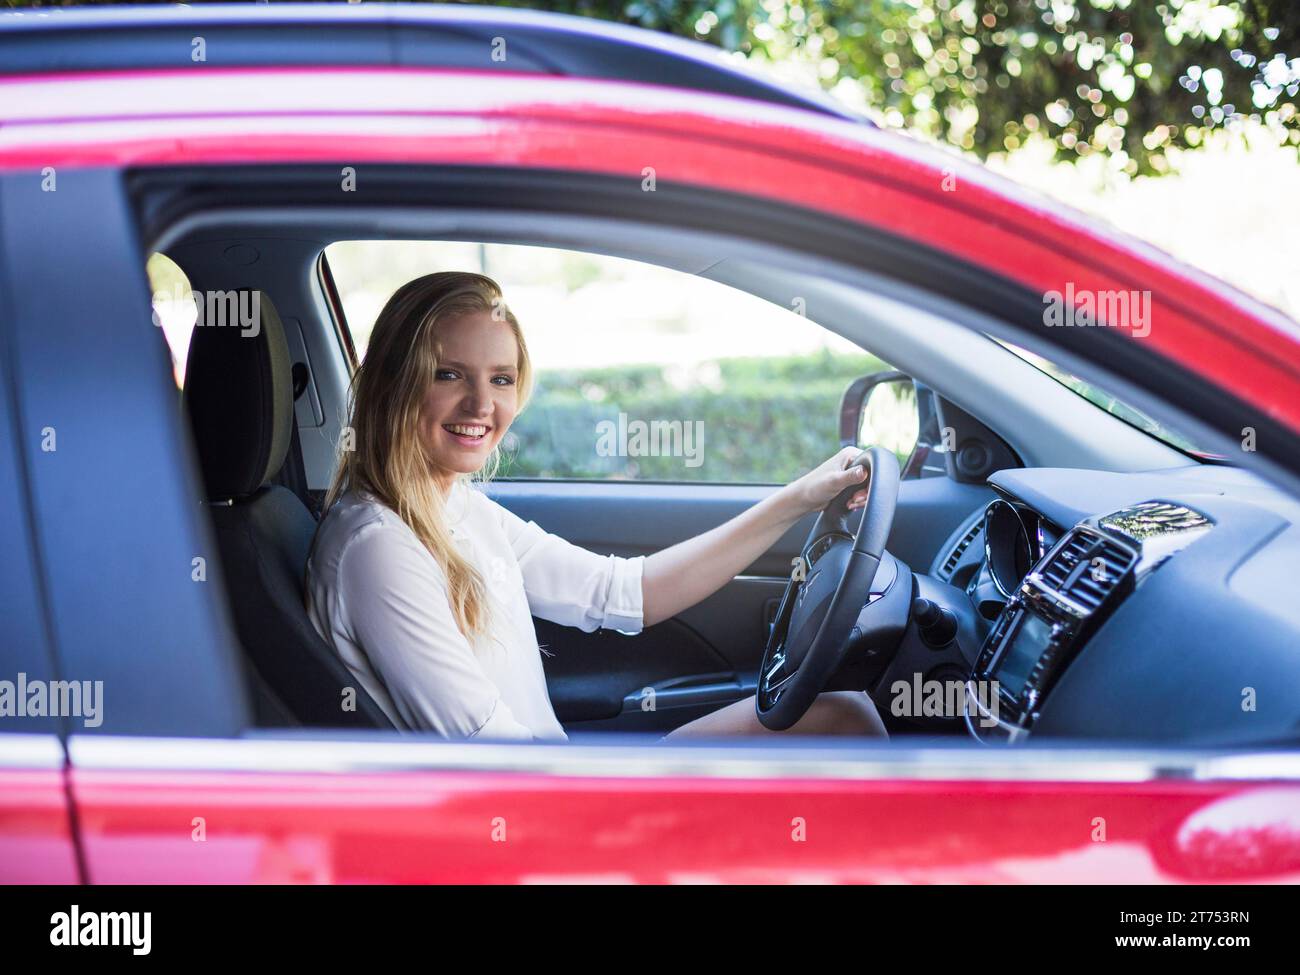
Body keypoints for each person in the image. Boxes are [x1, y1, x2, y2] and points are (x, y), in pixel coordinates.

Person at [306, 271, 889, 742]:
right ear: (394, 383)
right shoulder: (378, 547)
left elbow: (625, 593)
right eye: (448, 374)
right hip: (534, 829)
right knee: (845, 721)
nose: (482, 403)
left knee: (843, 714)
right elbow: (489, 759)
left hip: (549, 790)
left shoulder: (455, 506)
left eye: (502, 379)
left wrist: (798, 500)